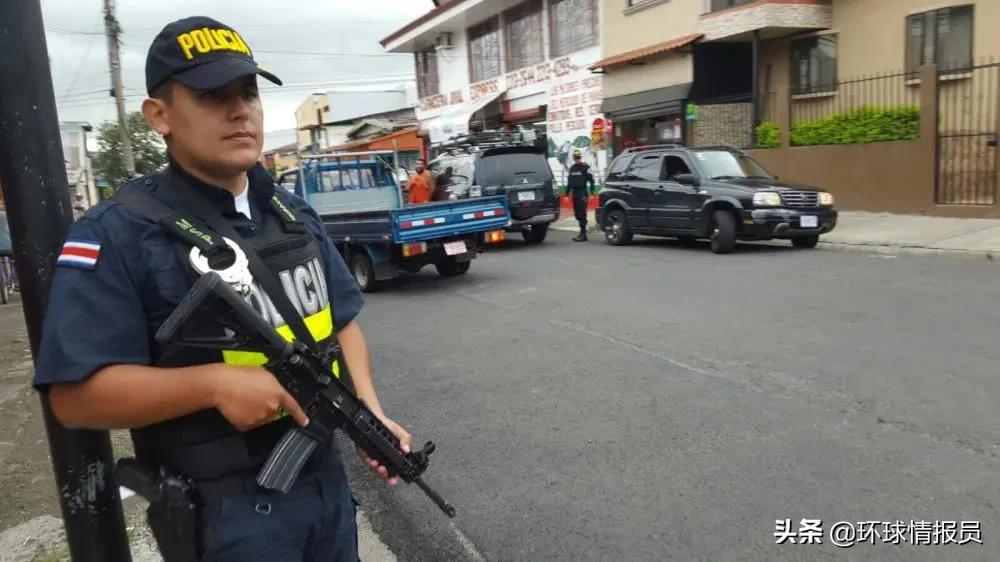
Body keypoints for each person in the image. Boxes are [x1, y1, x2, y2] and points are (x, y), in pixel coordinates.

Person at [32, 16, 412, 561]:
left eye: (249, 92)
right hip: (225, 513)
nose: (240, 111)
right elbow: (73, 398)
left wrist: (365, 413)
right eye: (213, 95)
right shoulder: (118, 232)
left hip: (325, 491)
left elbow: (342, 322)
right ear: (158, 115)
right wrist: (211, 385)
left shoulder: (291, 212)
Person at [566, 148, 595, 242]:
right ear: (573, 158)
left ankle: (583, 234)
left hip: (582, 192)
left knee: (582, 213)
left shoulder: (585, 167)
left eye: (578, 157)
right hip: (575, 193)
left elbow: (591, 180)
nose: (577, 159)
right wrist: (567, 194)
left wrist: (592, 192)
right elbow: (569, 182)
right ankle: (582, 231)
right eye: (575, 157)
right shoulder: (572, 168)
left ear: (580, 157)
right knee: (577, 213)